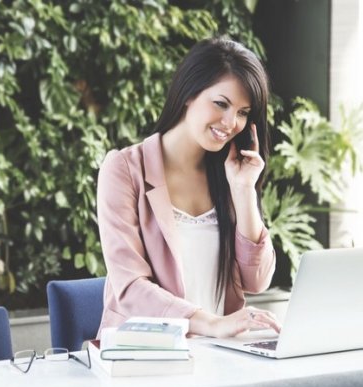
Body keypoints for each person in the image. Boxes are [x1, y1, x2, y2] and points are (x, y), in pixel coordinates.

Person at [96, 37, 281, 339]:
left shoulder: (229, 174)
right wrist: (210, 323)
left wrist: (244, 191)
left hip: (219, 357)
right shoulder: (125, 169)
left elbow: (257, 280)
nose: (231, 122)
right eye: (221, 104)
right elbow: (129, 287)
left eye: (243, 112)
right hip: (145, 354)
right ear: (188, 95)